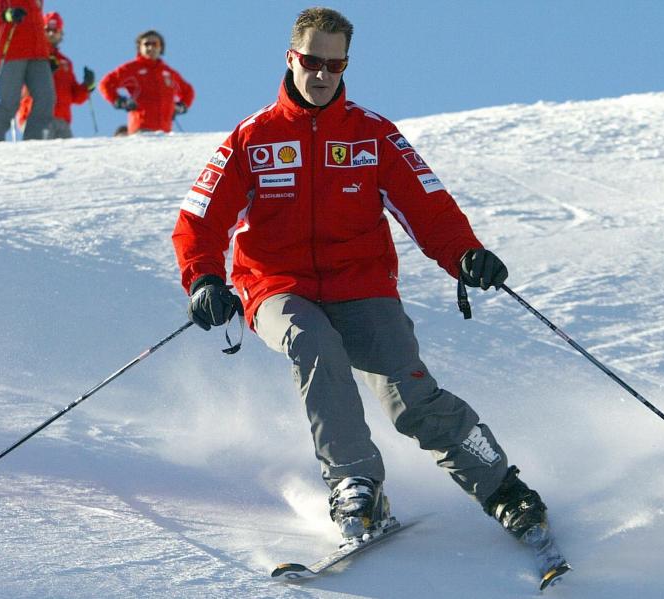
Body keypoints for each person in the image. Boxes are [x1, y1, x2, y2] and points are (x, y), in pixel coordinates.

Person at [171, 7, 568, 586]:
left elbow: (428, 207)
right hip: (277, 286)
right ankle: (356, 485)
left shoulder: (373, 134)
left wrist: (465, 254)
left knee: (410, 400)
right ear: (291, 58)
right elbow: (199, 219)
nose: (323, 74)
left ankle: (505, 489)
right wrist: (205, 278)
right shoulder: (253, 139)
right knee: (312, 343)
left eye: (336, 64)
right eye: (313, 61)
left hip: (363, 287)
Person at [0, 0, 55, 141]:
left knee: (46, 98)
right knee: (9, 102)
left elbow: (36, 24)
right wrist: (5, 15)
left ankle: (34, 140)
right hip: (12, 52)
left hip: (38, 54)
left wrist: (49, 54)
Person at [16, 11, 95, 139]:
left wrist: (87, 86)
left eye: (55, 30)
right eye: (48, 29)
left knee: (69, 157)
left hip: (61, 120)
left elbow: (75, 96)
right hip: (36, 117)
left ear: (61, 33)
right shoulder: (31, 55)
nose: (52, 33)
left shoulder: (65, 62)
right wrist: (44, 74)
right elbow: (20, 87)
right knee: (40, 155)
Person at [98, 30, 194, 134]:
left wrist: (181, 107)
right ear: (140, 47)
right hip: (141, 128)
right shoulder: (132, 69)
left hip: (165, 131)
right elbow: (106, 83)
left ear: (161, 47)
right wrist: (119, 100)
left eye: (155, 44)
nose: (151, 47)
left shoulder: (169, 73)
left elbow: (188, 91)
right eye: (146, 44)